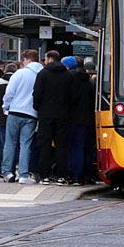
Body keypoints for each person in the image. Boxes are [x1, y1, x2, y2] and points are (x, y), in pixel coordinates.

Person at [1, 49, 43, 184]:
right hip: (31, 114)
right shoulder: (41, 75)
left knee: (10, 143)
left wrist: (6, 106)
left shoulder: (19, 73)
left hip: (15, 111)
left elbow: (9, 93)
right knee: (26, 144)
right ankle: (24, 174)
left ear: (27, 59)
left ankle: (7, 172)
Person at [33, 50, 75, 185]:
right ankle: (61, 175)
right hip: (63, 115)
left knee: (44, 144)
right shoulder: (68, 76)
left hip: (45, 114)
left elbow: (37, 94)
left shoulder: (43, 74)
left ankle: (44, 175)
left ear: (50, 59)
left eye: (45, 59)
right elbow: (72, 96)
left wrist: (38, 107)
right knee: (61, 145)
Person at [63, 56, 94, 185]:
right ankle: (81, 176)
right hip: (86, 119)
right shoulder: (88, 81)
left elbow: (68, 99)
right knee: (81, 147)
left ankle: (72, 175)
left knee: (71, 147)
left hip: (71, 118)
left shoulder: (69, 80)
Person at [0, 63, 17, 180]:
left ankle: (4, 169)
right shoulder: (17, 81)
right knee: (16, 144)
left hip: (1, 117)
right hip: (15, 115)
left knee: (3, 144)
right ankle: (13, 169)